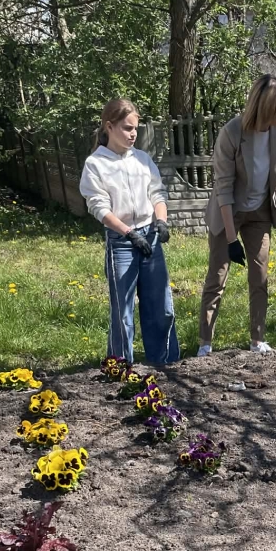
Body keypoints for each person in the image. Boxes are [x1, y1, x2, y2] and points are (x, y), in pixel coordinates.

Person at [198, 75, 276, 356]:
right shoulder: (232, 133)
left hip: (259, 212)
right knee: (217, 277)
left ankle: (257, 339)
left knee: (260, 275)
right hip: (229, 211)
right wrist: (232, 240)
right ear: (262, 108)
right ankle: (205, 343)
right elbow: (224, 189)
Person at [79, 98, 179, 367]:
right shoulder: (96, 164)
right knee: (123, 311)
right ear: (109, 127)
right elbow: (99, 207)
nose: (133, 134)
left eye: (135, 128)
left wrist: (161, 221)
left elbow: (157, 193)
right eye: (127, 128)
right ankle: (120, 367)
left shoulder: (142, 160)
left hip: (150, 236)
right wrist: (128, 233)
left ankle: (166, 363)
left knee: (161, 306)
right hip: (122, 242)